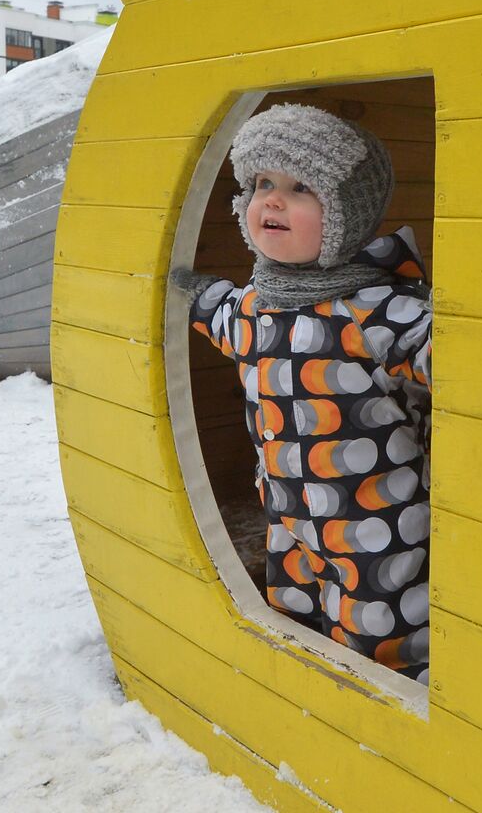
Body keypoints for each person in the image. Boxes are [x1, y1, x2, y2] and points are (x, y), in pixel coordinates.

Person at [171, 104, 433, 683]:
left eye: (299, 188)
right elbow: (218, 314)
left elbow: (440, 351)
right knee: (295, 623)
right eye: (262, 183)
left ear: (346, 214)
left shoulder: (376, 311)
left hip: (375, 526)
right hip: (287, 517)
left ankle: (393, 728)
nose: (271, 200)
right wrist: (187, 289)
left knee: (383, 640)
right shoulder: (254, 306)